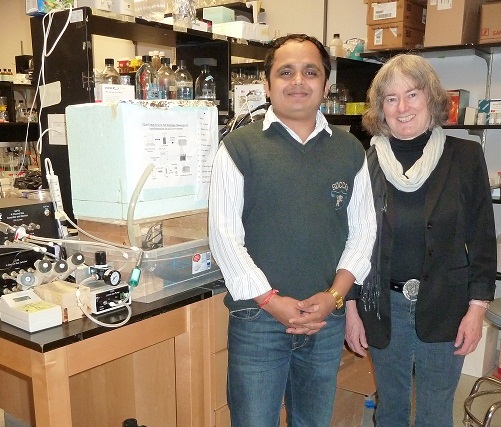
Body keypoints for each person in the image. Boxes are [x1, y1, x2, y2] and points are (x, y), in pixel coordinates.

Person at [208, 34, 377, 427]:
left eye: (310, 72)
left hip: (325, 319)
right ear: (267, 84)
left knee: (313, 421)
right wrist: (270, 300)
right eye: (286, 72)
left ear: (326, 85)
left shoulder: (350, 150)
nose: (298, 81)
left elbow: (363, 231)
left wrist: (335, 295)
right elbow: (224, 236)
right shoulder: (238, 148)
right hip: (258, 319)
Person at [342, 53, 497, 426]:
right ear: (380, 109)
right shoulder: (366, 162)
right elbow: (351, 240)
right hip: (383, 305)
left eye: (412, 94)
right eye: (391, 99)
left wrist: (477, 310)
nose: (403, 107)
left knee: (434, 412)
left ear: (431, 97)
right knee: (391, 408)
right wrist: (351, 309)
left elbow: (482, 238)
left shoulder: (465, 156)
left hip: (447, 304)